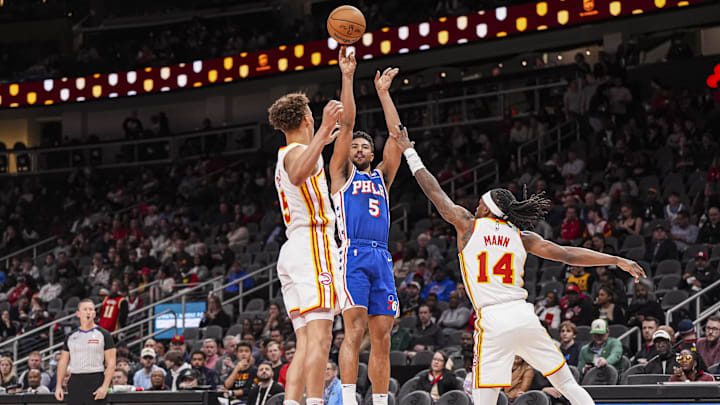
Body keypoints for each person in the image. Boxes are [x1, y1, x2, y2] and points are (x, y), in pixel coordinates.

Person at [392, 125, 645, 405]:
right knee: (567, 384)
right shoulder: (522, 236)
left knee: (483, 398)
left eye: (479, 203)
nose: (476, 207)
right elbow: (568, 254)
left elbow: (435, 192)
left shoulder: (468, 226)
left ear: (487, 209)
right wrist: (615, 259)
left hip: (493, 319)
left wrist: (409, 152)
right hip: (524, 316)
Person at [328, 47, 403, 405]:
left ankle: (380, 401)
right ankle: (347, 398)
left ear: (371, 154)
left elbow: (397, 135)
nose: (358, 148)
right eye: (354, 145)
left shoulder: (383, 177)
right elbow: (345, 124)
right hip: (353, 253)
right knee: (353, 330)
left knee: (383, 338)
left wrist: (384, 94)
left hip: (381, 258)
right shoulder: (341, 174)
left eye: (363, 146)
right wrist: (348, 76)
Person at [268, 76, 344, 405]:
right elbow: (299, 173)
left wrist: (323, 139)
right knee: (321, 337)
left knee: (305, 341)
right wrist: (325, 133)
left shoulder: (288, 152)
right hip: (312, 245)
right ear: (307, 119)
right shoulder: (297, 152)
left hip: (294, 249)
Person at [55, 299, 117, 405]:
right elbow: (63, 363)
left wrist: (105, 387)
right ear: (78, 314)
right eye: (85, 309)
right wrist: (58, 386)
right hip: (75, 380)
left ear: (94, 313)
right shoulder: (70, 336)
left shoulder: (104, 334)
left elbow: (111, 364)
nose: (88, 312)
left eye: (91, 309)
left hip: (96, 379)